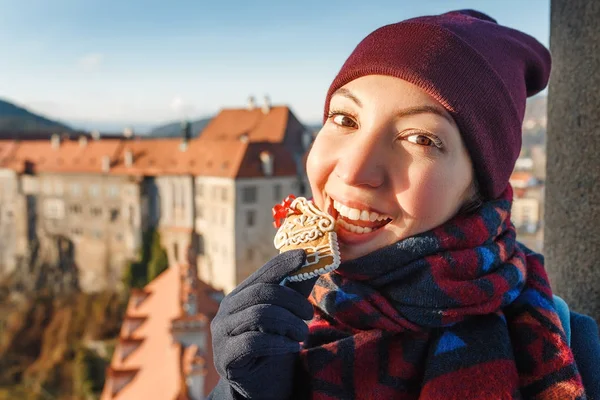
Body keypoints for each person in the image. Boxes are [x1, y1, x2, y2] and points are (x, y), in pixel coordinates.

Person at [209, 9, 600, 399]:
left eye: (421, 139)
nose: (354, 170)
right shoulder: (280, 325)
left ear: (479, 187)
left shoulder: (572, 348)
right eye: (344, 119)